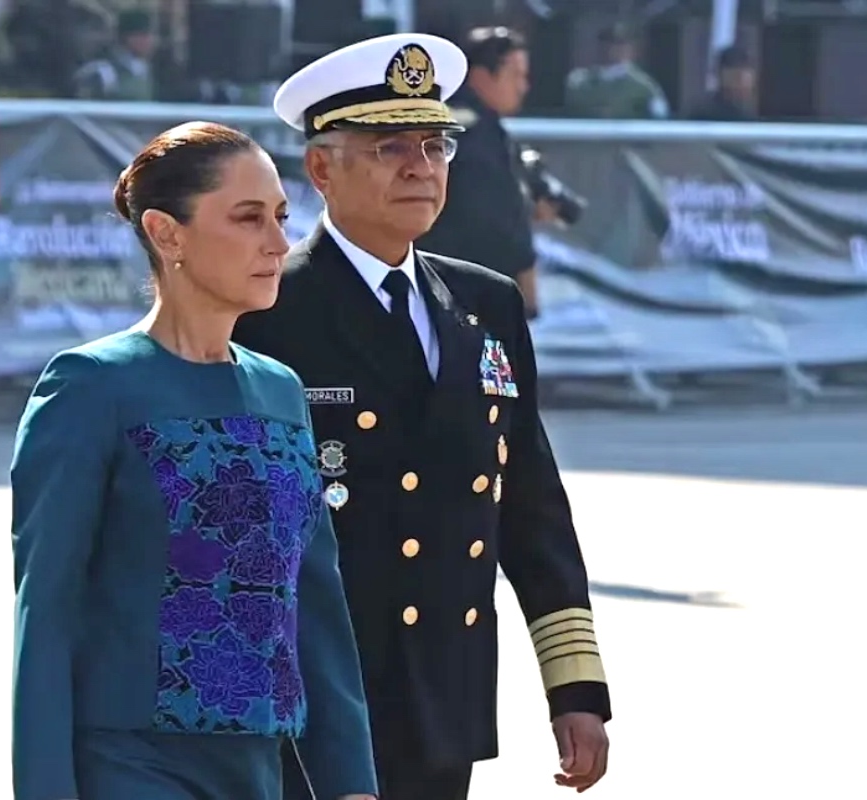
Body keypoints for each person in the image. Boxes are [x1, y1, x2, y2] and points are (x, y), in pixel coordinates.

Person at [233, 33, 612, 800]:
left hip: (446, 693)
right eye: (388, 147)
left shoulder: (487, 304)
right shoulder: (266, 308)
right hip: (315, 702)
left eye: (435, 145)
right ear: (320, 169)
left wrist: (574, 689)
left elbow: (531, 506)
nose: (421, 167)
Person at [11, 121, 378, 800]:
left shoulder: (280, 389)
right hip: (130, 767)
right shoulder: (91, 385)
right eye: (247, 218)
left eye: (279, 217)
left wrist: (351, 780)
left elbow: (316, 604)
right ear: (166, 232)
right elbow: (47, 613)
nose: (277, 242)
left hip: (259, 769)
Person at [416, 26, 545, 318]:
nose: (523, 86)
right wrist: (525, 274)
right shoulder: (472, 133)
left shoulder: (471, 125)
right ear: (482, 76)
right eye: (516, 76)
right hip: (467, 295)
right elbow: (493, 219)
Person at [564, 23, 668, 120]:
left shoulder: (644, 86)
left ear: (632, 49)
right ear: (600, 47)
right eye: (610, 44)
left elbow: (660, 118)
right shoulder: (579, 81)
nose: (615, 50)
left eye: (622, 45)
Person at [72, 9, 158, 101]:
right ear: (126, 37)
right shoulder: (101, 72)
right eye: (143, 35)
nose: (149, 40)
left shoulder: (147, 70)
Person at [690, 44, 758, 121]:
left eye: (748, 79)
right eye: (738, 77)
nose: (744, 85)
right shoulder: (702, 114)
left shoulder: (748, 118)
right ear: (721, 76)